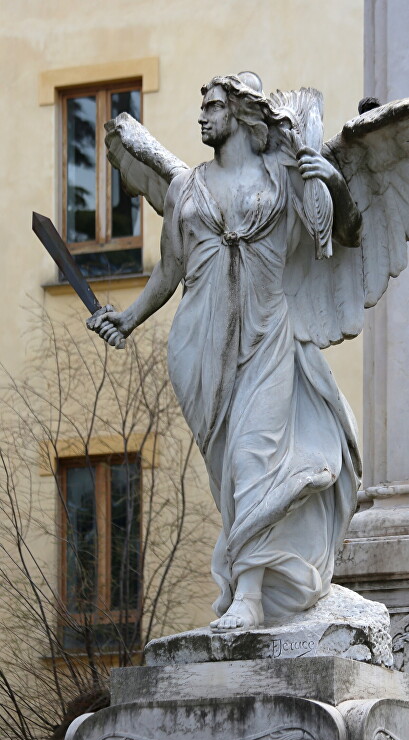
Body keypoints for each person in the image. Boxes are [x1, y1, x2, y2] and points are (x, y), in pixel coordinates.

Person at [89, 73, 360, 631]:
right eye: (202, 106)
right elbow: (170, 267)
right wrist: (130, 319)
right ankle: (248, 583)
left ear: (239, 113)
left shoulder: (284, 180)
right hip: (200, 344)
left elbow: (343, 237)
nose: (203, 117)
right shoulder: (186, 187)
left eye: (213, 106)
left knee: (251, 463)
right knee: (228, 478)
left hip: (268, 337)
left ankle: (251, 595)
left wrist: (331, 181)